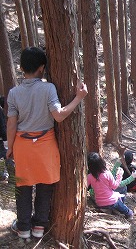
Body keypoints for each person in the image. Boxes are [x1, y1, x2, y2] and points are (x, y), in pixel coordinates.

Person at [7, 47, 88, 239]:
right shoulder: (48, 88)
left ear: (21, 67)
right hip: (45, 144)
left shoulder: (14, 93)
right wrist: (79, 97)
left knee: (23, 188)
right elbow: (59, 116)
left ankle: (23, 229)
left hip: (22, 145)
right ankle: (39, 228)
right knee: (45, 186)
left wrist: (10, 147)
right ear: (42, 68)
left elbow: (11, 124)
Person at [87, 152, 134, 220]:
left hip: (99, 203)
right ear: (101, 162)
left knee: (115, 197)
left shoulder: (89, 177)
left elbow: (86, 187)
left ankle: (107, 209)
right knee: (127, 210)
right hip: (112, 201)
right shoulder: (107, 174)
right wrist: (119, 176)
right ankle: (128, 213)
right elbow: (114, 186)